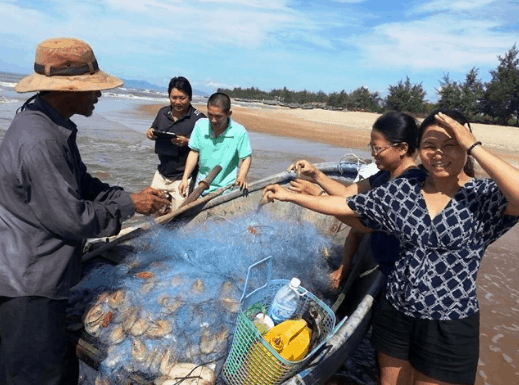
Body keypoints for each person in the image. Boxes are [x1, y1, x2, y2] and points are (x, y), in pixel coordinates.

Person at [263, 110, 519, 384]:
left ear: (465, 147)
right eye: (430, 146)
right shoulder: (405, 189)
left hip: (448, 323)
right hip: (396, 312)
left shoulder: (483, 196)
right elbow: (349, 204)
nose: (439, 154)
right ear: (418, 150)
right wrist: (290, 196)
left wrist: (473, 145)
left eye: (451, 144)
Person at [0, 37, 170, 385]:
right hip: (31, 284)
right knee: (34, 375)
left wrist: (129, 196)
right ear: (70, 89)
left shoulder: (47, 124)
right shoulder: (40, 140)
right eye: (93, 88)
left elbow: (82, 183)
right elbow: (72, 218)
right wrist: (130, 205)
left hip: (39, 273)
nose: (99, 94)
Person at [286, 111, 423, 290]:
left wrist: (296, 195)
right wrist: (315, 174)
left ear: (403, 148)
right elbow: (346, 192)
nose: (373, 154)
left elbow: (361, 224)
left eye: (378, 148)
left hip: (402, 280)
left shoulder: (407, 185)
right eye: (371, 147)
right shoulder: (386, 174)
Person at [146, 76, 205, 214]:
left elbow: (208, 146)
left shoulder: (199, 119)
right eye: (174, 98)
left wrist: (188, 142)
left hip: (183, 178)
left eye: (182, 98)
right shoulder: (162, 113)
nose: (177, 102)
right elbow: (153, 128)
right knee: (153, 213)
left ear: (190, 97)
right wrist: (150, 133)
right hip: (161, 174)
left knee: (178, 217)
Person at [179, 92, 252, 195]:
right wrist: (185, 178)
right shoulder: (200, 125)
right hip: (201, 186)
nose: (213, 120)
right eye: (210, 115)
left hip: (225, 189)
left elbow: (246, 157)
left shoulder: (239, 132)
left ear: (228, 114)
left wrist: (241, 176)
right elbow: (194, 152)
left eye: (218, 116)